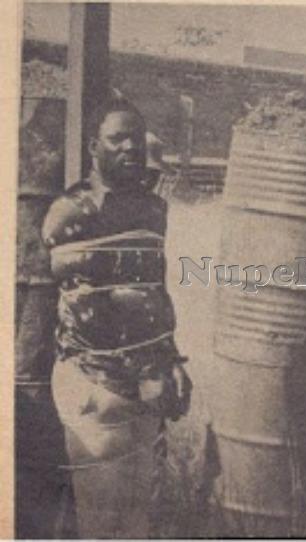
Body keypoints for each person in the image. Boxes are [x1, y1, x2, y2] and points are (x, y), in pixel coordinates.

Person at [42, 96, 192, 538]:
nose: (129, 148)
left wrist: (170, 360)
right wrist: (145, 372)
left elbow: (151, 293)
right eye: (116, 138)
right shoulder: (72, 211)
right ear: (94, 146)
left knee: (137, 519)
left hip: (144, 386)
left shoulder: (151, 209)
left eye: (135, 138)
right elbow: (86, 306)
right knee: (102, 521)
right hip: (96, 380)